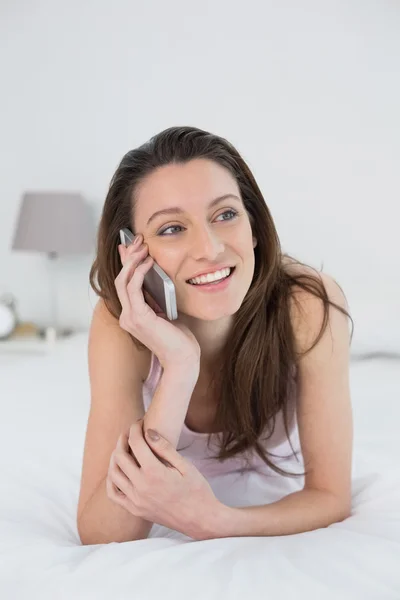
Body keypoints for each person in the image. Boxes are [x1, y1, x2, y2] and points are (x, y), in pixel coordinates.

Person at [77, 126, 354, 544]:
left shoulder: (308, 304)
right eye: (172, 228)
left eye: (225, 215)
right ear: (132, 252)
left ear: (254, 227)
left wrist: (216, 521)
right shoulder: (118, 325)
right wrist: (179, 366)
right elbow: (104, 533)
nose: (209, 248)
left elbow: (330, 496)